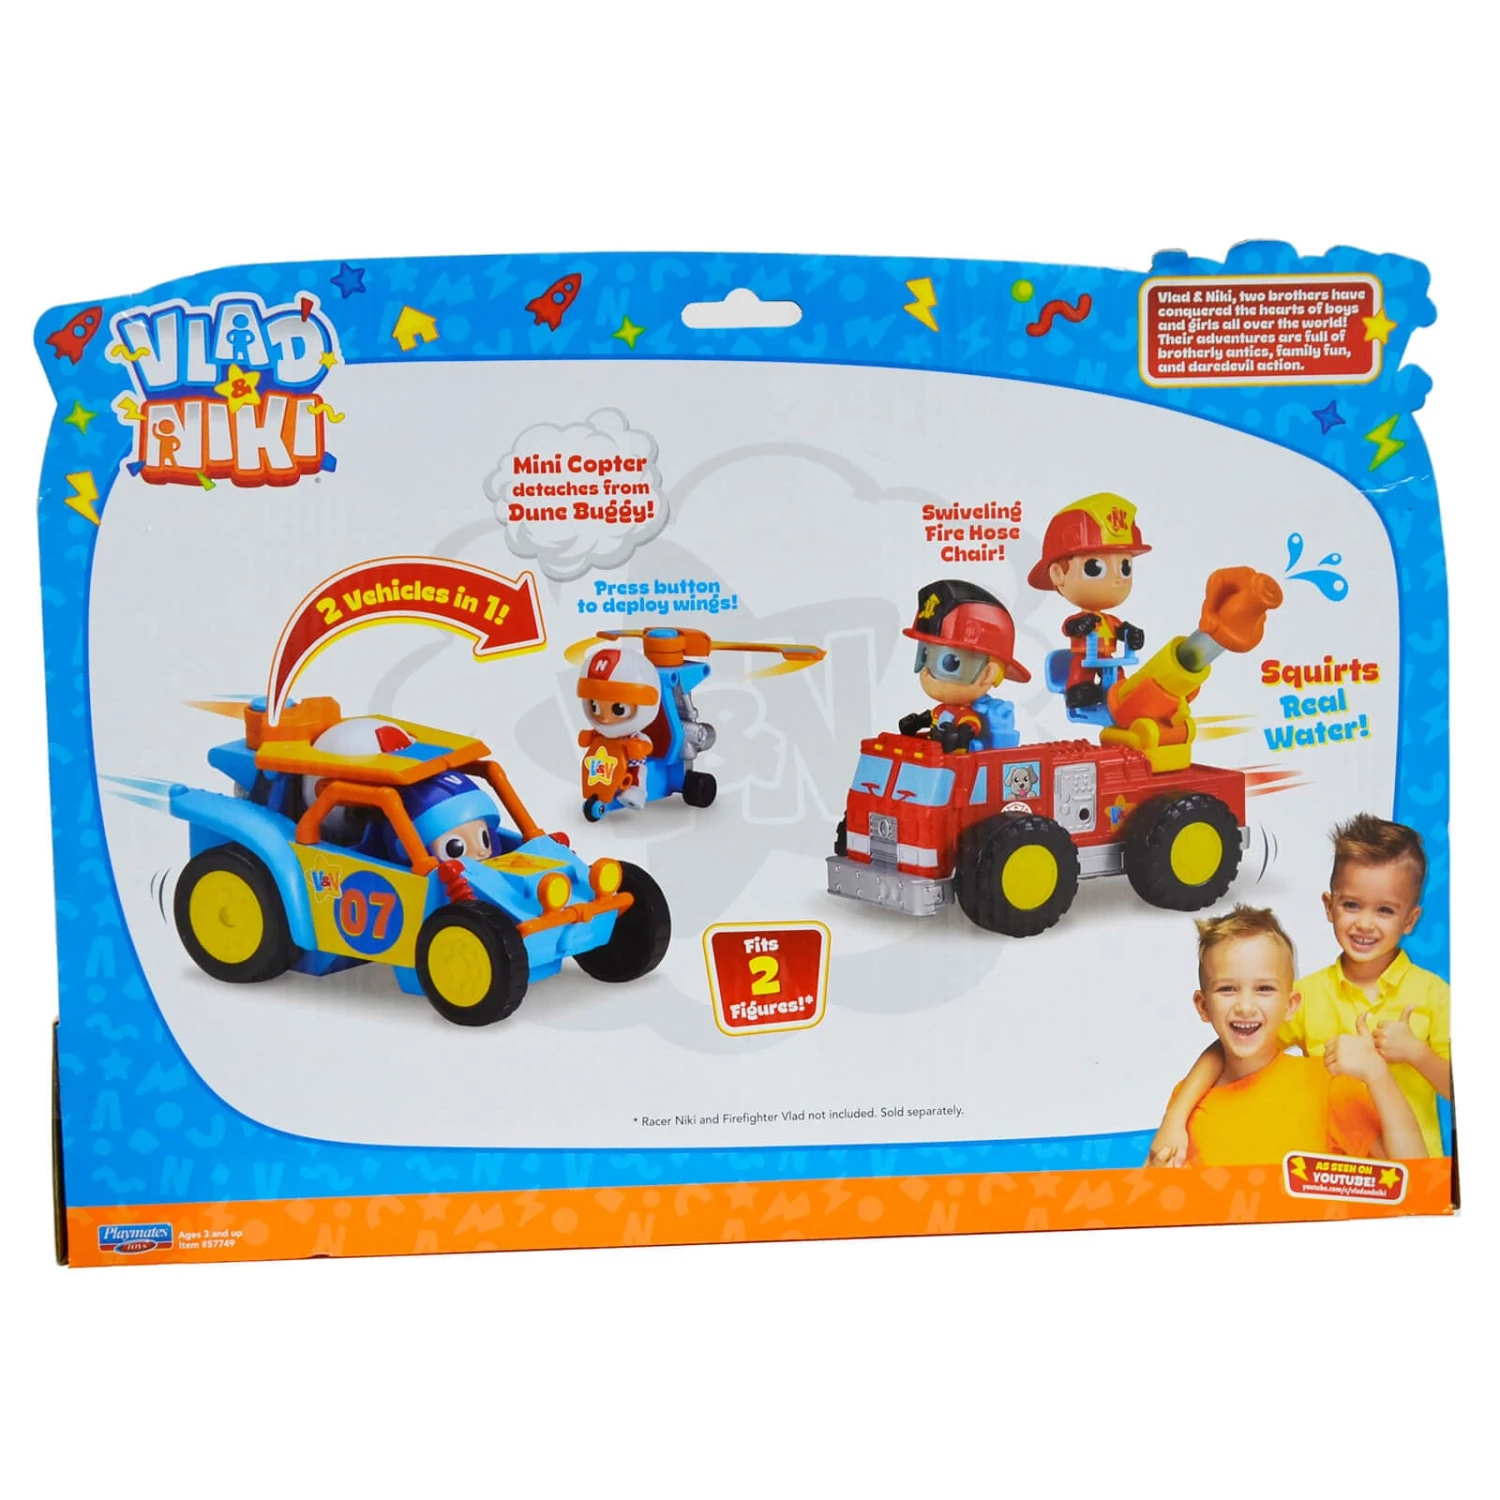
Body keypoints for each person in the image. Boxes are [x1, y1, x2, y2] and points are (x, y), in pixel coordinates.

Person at [1151, 815, 1451, 1163]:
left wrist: (1416, 1053)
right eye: (1352, 905)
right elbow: (1234, 1047)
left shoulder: (1434, 994)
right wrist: (1175, 1117)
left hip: (1414, 1166)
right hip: (1332, 1166)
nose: (1365, 923)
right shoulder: (1306, 994)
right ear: (1330, 906)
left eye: (1385, 910)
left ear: (1410, 919)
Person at [1161, 904, 1426, 1168]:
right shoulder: (1186, 1102)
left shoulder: (1328, 1086)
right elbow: (1166, 1186)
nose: (1245, 1006)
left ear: (1291, 1005)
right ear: (1203, 1006)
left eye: (1264, 989)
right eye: (1227, 989)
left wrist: (1378, 1074)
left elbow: (1418, 1173)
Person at [1028, 493, 1149, 710]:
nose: (1117, 578)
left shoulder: (1110, 620)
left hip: (1108, 659)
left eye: (1125, 567)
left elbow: (1120, 630)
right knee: (1080, 670)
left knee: (1118, 675)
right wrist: (1080, 626)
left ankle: (1122, 694)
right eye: (1095, 568)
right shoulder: (1081, 619)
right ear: (1058, 574)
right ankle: (1079, 691)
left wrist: (1131, 634)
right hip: (1085, 658)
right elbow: (1069, 628)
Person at [897, 579, 1027, 752]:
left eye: (950, 663)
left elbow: (970, 728)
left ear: (988, 673)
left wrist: (959, 736)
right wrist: (917, 721)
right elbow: (930, 717)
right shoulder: (941, 710)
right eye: (925, 655)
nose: (926, 672)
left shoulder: (966, 715)